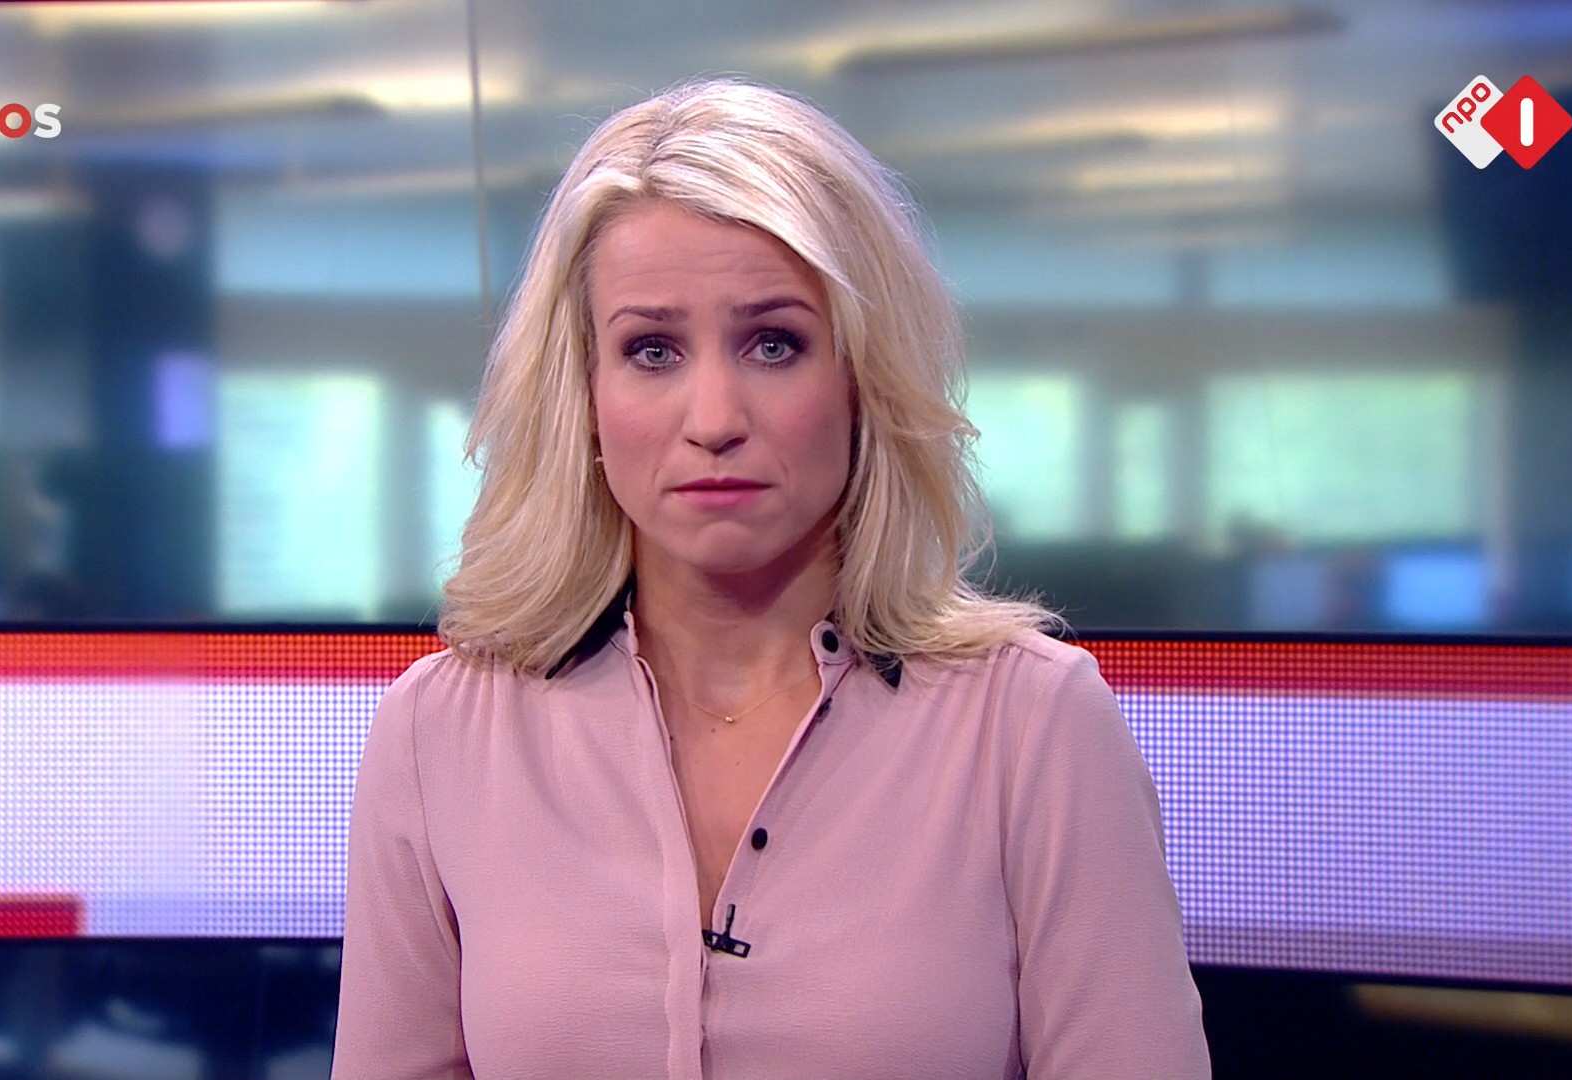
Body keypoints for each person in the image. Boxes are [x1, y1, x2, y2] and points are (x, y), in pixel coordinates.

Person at [332, 78, 1209, 1080]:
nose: (714, 417)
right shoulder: (440, 735)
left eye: (773, 343)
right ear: (584, 394)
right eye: (651, 350)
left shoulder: (1032, 726)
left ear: (861, 380)